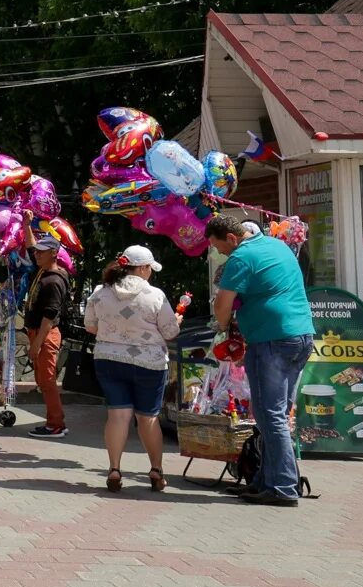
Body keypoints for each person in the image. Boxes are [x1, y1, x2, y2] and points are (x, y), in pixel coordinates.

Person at [208, 213, 315, 507]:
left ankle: (282, 487)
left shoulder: (241, 257)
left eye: (220, 247)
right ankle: (266, 481)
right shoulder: (277, 245)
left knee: (271, 416)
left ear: (232, 238)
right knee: (277, 414)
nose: (220, 253)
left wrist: (222, 326)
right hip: (301, 335)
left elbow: (222, 306)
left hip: (271, 339)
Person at [85, 245, 182, 492]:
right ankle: (156, 470)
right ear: (142, 268)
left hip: (108, 359)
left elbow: (91, 327)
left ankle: (115, 468)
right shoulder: (155, 295)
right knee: (147, 417)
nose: (150, 273)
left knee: (118, 415)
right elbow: (170, 332)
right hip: (148, 363)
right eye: (149, 268)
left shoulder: (99, 293)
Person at [25, 233, 71, 438]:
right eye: (37, 251)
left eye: (41, 252)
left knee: (48, 380)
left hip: (45, 333)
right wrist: (26, 225)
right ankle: (54, 420)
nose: (37, 255)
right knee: (43, 379)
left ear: (53, 254)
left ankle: (56, 424)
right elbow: (30, 246)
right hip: (39, 333)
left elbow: (49, 316)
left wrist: (36, 343)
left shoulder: (53, 281)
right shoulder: (43, 270)